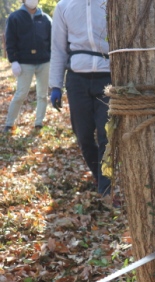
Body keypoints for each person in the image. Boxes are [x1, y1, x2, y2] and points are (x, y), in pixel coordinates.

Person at [49, 0, 111, 196]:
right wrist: (55, 85)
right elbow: (58, 48)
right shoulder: (64, 6)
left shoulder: (111, 3)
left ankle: (106, 189)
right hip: (77, 78)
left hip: (108, 76)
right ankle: (99, 175)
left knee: (106, 135)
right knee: (83, 136)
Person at [3, 0, 51, 133]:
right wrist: (13, 61)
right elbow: (10, 40)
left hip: (44, 61)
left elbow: (52, 41)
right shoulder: (15, 17)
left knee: (42, 95)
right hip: (24, 63)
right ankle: (9, 123)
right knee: (20, 94)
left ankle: (39, 123)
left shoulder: (46, 19)